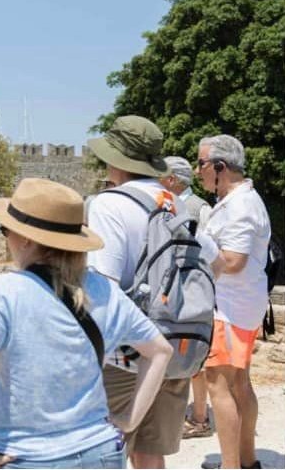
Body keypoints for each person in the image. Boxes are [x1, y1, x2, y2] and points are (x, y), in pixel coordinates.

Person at [0, 178, 172, 469]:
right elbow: (160, 351)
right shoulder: (104, 290)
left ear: (26, 238)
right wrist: (129, 420)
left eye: (6, 230)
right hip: (100, 452)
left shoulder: (3, 291)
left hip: (26, 456)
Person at [85, 116, 188, 469]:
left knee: (103, 449)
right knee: (149, 452)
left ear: (116, 158)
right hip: (177, 344)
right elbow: (213, 265)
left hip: (124, 356)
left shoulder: (109, 204)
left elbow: (105, 287)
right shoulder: (176, 202)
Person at [194, 135, 270, 469]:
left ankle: (230, 465)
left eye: (202, 164)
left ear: (220, 167)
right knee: (240, 383)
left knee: (218, 385)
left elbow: (234, 261)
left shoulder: (239, 205)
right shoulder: (242, 199)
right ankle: (246, 460)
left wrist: (198, 247)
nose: (199, 172)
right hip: (243, 306)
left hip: (228, 309)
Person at [160, 156, 215, 439]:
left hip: (191, 290)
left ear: (173, 180)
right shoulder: (171, 205)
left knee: (193, 352)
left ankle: (200, 417)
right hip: (175, 287)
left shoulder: (197, 208)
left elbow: (210, 253)